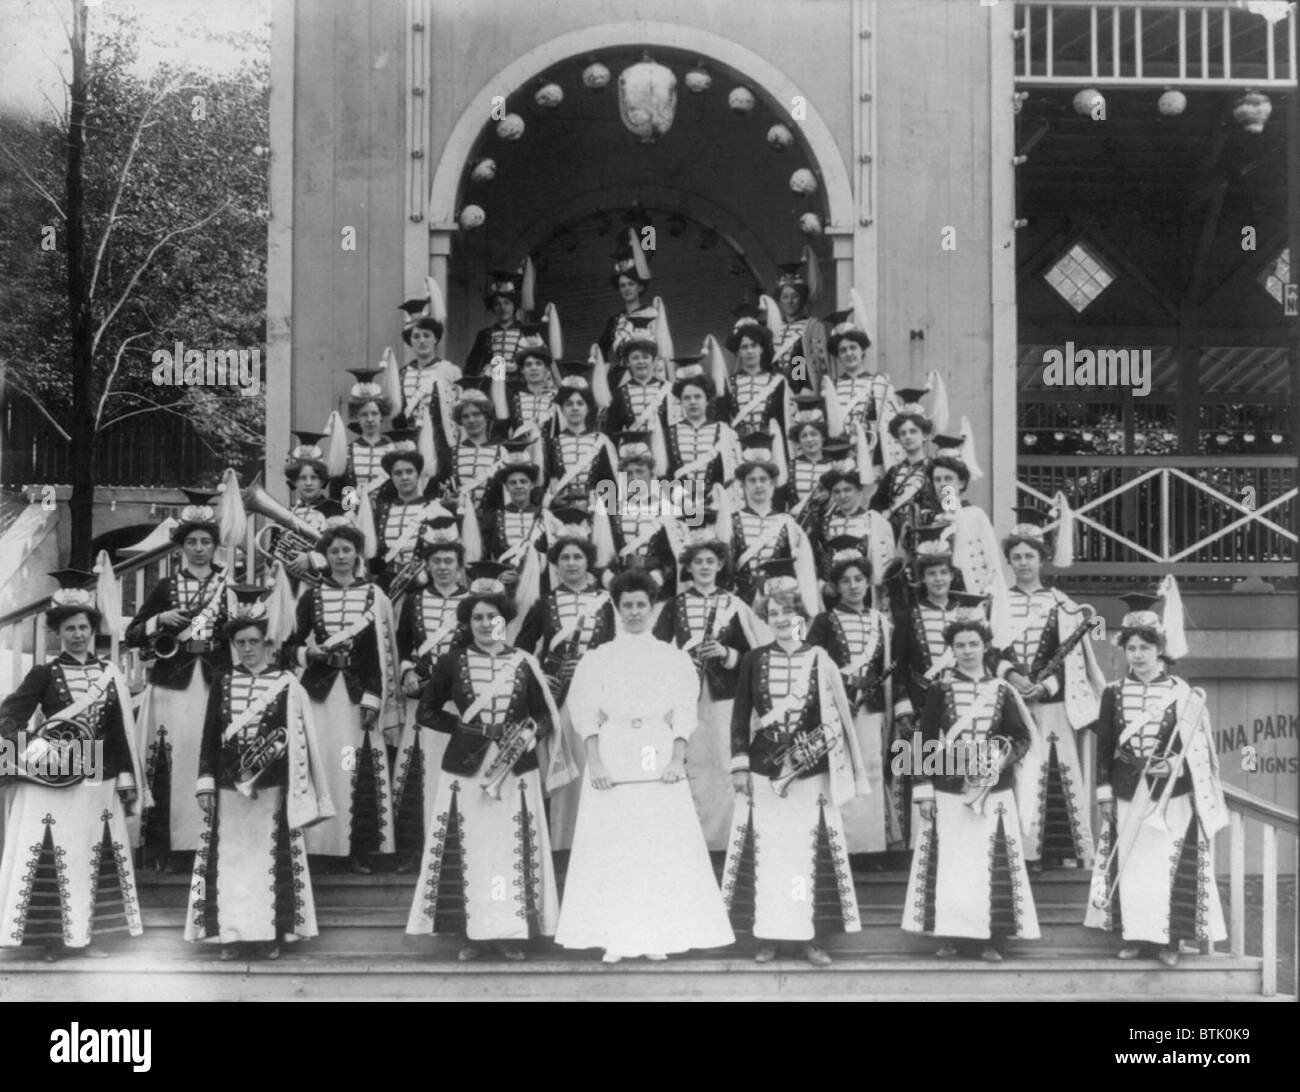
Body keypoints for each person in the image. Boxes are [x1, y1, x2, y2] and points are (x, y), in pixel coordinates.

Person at [555, 570, 735, 962]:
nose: (634, 612)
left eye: (641, 605)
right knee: (614, 845)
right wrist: (596, 763)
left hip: (656, 746)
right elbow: (584, 713)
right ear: (617, 610)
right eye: (627, 606)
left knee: (657, 844)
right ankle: (613, 936)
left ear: (652, 609)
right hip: (613, 748)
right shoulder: (597, 658)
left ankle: (657, 935)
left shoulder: (671, 657)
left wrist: (675, 758)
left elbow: (685, 711)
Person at [405, 579, 572, 960]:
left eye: (492, 616)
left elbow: (543, 715)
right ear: (469, 622)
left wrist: (529, 737)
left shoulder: (524, 662)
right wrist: (466, 729)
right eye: (477, 617)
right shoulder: (451, 662)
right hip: (467, 768)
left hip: (515, 770)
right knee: (472, 850)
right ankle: (473, 935)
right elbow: (428, 712)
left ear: (505, 620)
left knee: (512, 847)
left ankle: (512, 933)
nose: (484, 623)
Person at [0, 575, 147, 961]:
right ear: (58, 633)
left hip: (97, 772)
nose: (78, 635)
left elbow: (118, 732)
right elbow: (9, 715)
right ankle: (53, 939)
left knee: (91, 852)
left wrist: (125, 779)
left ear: (92, 630)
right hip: (52, 778)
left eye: (83, 627)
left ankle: (90, 937)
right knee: (53, 851)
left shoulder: (110, 676)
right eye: (70, 628)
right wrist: (33, 749)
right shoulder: (43, 674)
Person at [725, 574, 868, 964]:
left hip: (811, 774)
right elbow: (741, 716)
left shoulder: (821, 659)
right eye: (773, 613)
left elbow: (837, 717)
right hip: (764, 770)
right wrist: (739, 766)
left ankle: (809, 937)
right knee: (769, 855)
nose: (781, 620)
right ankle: (768, 936)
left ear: (801, 617)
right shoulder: (754, 659)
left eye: (788, 613)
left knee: (808, 855)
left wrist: (815, 752)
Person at [1084, 584, 1228, 966]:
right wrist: (1103, 794)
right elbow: (1104, 749)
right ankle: (1134, 937)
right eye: (1131, 648)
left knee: (1168, 867)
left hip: (1173, 795)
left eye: (1145, 648)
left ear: (1159, 649)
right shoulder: (1112, 694)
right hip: (1128, 790)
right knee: (1131, 868)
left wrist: (1174, 766)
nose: (1138, 655)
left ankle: (1169, 942)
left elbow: (1197, 750)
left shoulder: (1183, 693)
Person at [187, 595, 334, 960]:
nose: (248, 649)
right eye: (241, 643)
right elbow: (210, 736)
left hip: (270, 789)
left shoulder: (286, 684)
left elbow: (299, 742)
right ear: (233, 646)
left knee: (269, 863)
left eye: (254, 642)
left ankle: (270, 936)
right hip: (227, 789)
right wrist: (205, 783)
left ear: (268, 643)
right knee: (232, 865)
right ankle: (232, 938)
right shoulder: (221, 682)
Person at [902, 614, 1039, 961]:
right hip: (950, 787)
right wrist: (923, 789)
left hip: (993, 790)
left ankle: (991, 939)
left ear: (985, 647)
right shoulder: (938, 690)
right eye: (960, 645)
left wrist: (999, 758)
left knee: (989, 864)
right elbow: (923, 740)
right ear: (952, 650)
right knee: (953, 865)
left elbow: (1022, 737)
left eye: (973, 644)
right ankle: (954, 936)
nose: (967, 651)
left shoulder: (1003, 689)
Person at [126, 488, 231, 869]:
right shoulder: (165, 587)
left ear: (215, 545)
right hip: (172, 683)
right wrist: (159, 621)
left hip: (215, 680)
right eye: (192, 542)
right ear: (181, 546)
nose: (199, 548)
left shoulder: (229, 586)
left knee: (208, 757)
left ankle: (210, 843)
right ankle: (166, 847)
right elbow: (133, 633)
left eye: (205, 542)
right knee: (171, 760)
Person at [286, 523, 399, 873]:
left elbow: (385, 654)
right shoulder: (311, 597)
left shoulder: (375, 596)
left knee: (353, 770)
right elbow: (288, 646)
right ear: (325, 555)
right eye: (333, 551)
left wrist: (373, 699)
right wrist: (310, 654)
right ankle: (316, 850)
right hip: (319, 694)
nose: (340, 557)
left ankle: (357, 849)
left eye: (346, 550)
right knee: (319, 766)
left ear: (357, 555)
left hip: (357, 698)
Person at [999, 507, 1103, 871]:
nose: (1024, 563)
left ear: (1041, 559)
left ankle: (1054, 852)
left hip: (1050, 703)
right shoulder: (996, 602)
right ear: (1009, 560)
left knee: (1054, 770)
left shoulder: (1062, 604)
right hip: (1008, 703)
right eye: (1016, 557)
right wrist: (1011, 675)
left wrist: (1045, 686)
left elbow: (1073, 662)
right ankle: (1015, 853)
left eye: (1030, 556)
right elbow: (989, 652)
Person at [653, 540, 763, 849]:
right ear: (688, 567)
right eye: (698, 561)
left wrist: (726, 652)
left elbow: (751, 657)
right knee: (695, 762)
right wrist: (679, 661)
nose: (704, 566)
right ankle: (695, 840)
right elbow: (657, 649)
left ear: (719, 566)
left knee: (723, 759)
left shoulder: (735, 604)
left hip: (724, 695)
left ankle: (729, 839)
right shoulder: (673, 605)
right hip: (687, 694)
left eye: (710, 561)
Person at [514, 522, 617, 849]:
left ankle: (599, 843)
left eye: (578, 557)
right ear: (556, 565)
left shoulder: (606, 602)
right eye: (565, 558)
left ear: (588, 562)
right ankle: (561, 843)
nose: (571, 563)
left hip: (599, 695)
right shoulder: (544, 603)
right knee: (561, 768)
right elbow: (520, 650)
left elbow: (618, 647)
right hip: (558, 696)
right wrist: (540, 675)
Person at [807, 549, 903, 857]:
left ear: (867, 583)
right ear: (836, 586)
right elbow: (812, 666)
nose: (853, 587)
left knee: (871, 769)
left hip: (871, 707)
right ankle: (843, 847)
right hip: (835, 708)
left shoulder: (881, 623)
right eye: (845, 581)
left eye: (859, 579)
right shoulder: (823, 621)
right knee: (841, 769)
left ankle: (871, 846)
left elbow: (890, 666)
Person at [391, 519, 468, 869]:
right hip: (423, 699)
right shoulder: (414, 599)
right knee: (417, 775)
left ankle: (457, 848)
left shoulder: (479, 601)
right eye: (436, 561)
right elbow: (403, 642)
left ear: (459, 565)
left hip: (461, 700)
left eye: (449, 561)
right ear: (427, 564)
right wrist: (407, 670)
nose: (442, 567)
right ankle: (416, 851)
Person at [395, 292, 461, 431]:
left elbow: (459, 408)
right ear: (410, 341)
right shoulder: (402, 373)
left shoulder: (450, 371)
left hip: (441, 437)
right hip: (410, 438)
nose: (422, 341)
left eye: (427, 335)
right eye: (416, 336)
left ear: (435, 338)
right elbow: (398, 414)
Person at [335, 370, 397, 499]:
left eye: (374, 413)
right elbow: (347, 486)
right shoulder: (349, 451)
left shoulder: (393, 450)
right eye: (364, 414)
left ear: (381, 416)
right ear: (357, 417)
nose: (369, 419)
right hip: (356, 513)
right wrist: (349, 511)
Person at [465, 269, 526, 378]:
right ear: (493, 308)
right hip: (491, 384)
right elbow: (472, 366)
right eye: (498, 304)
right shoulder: (484, 335)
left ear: (514, 306)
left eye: (507, 303)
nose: (503, 308)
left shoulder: (526, 332)